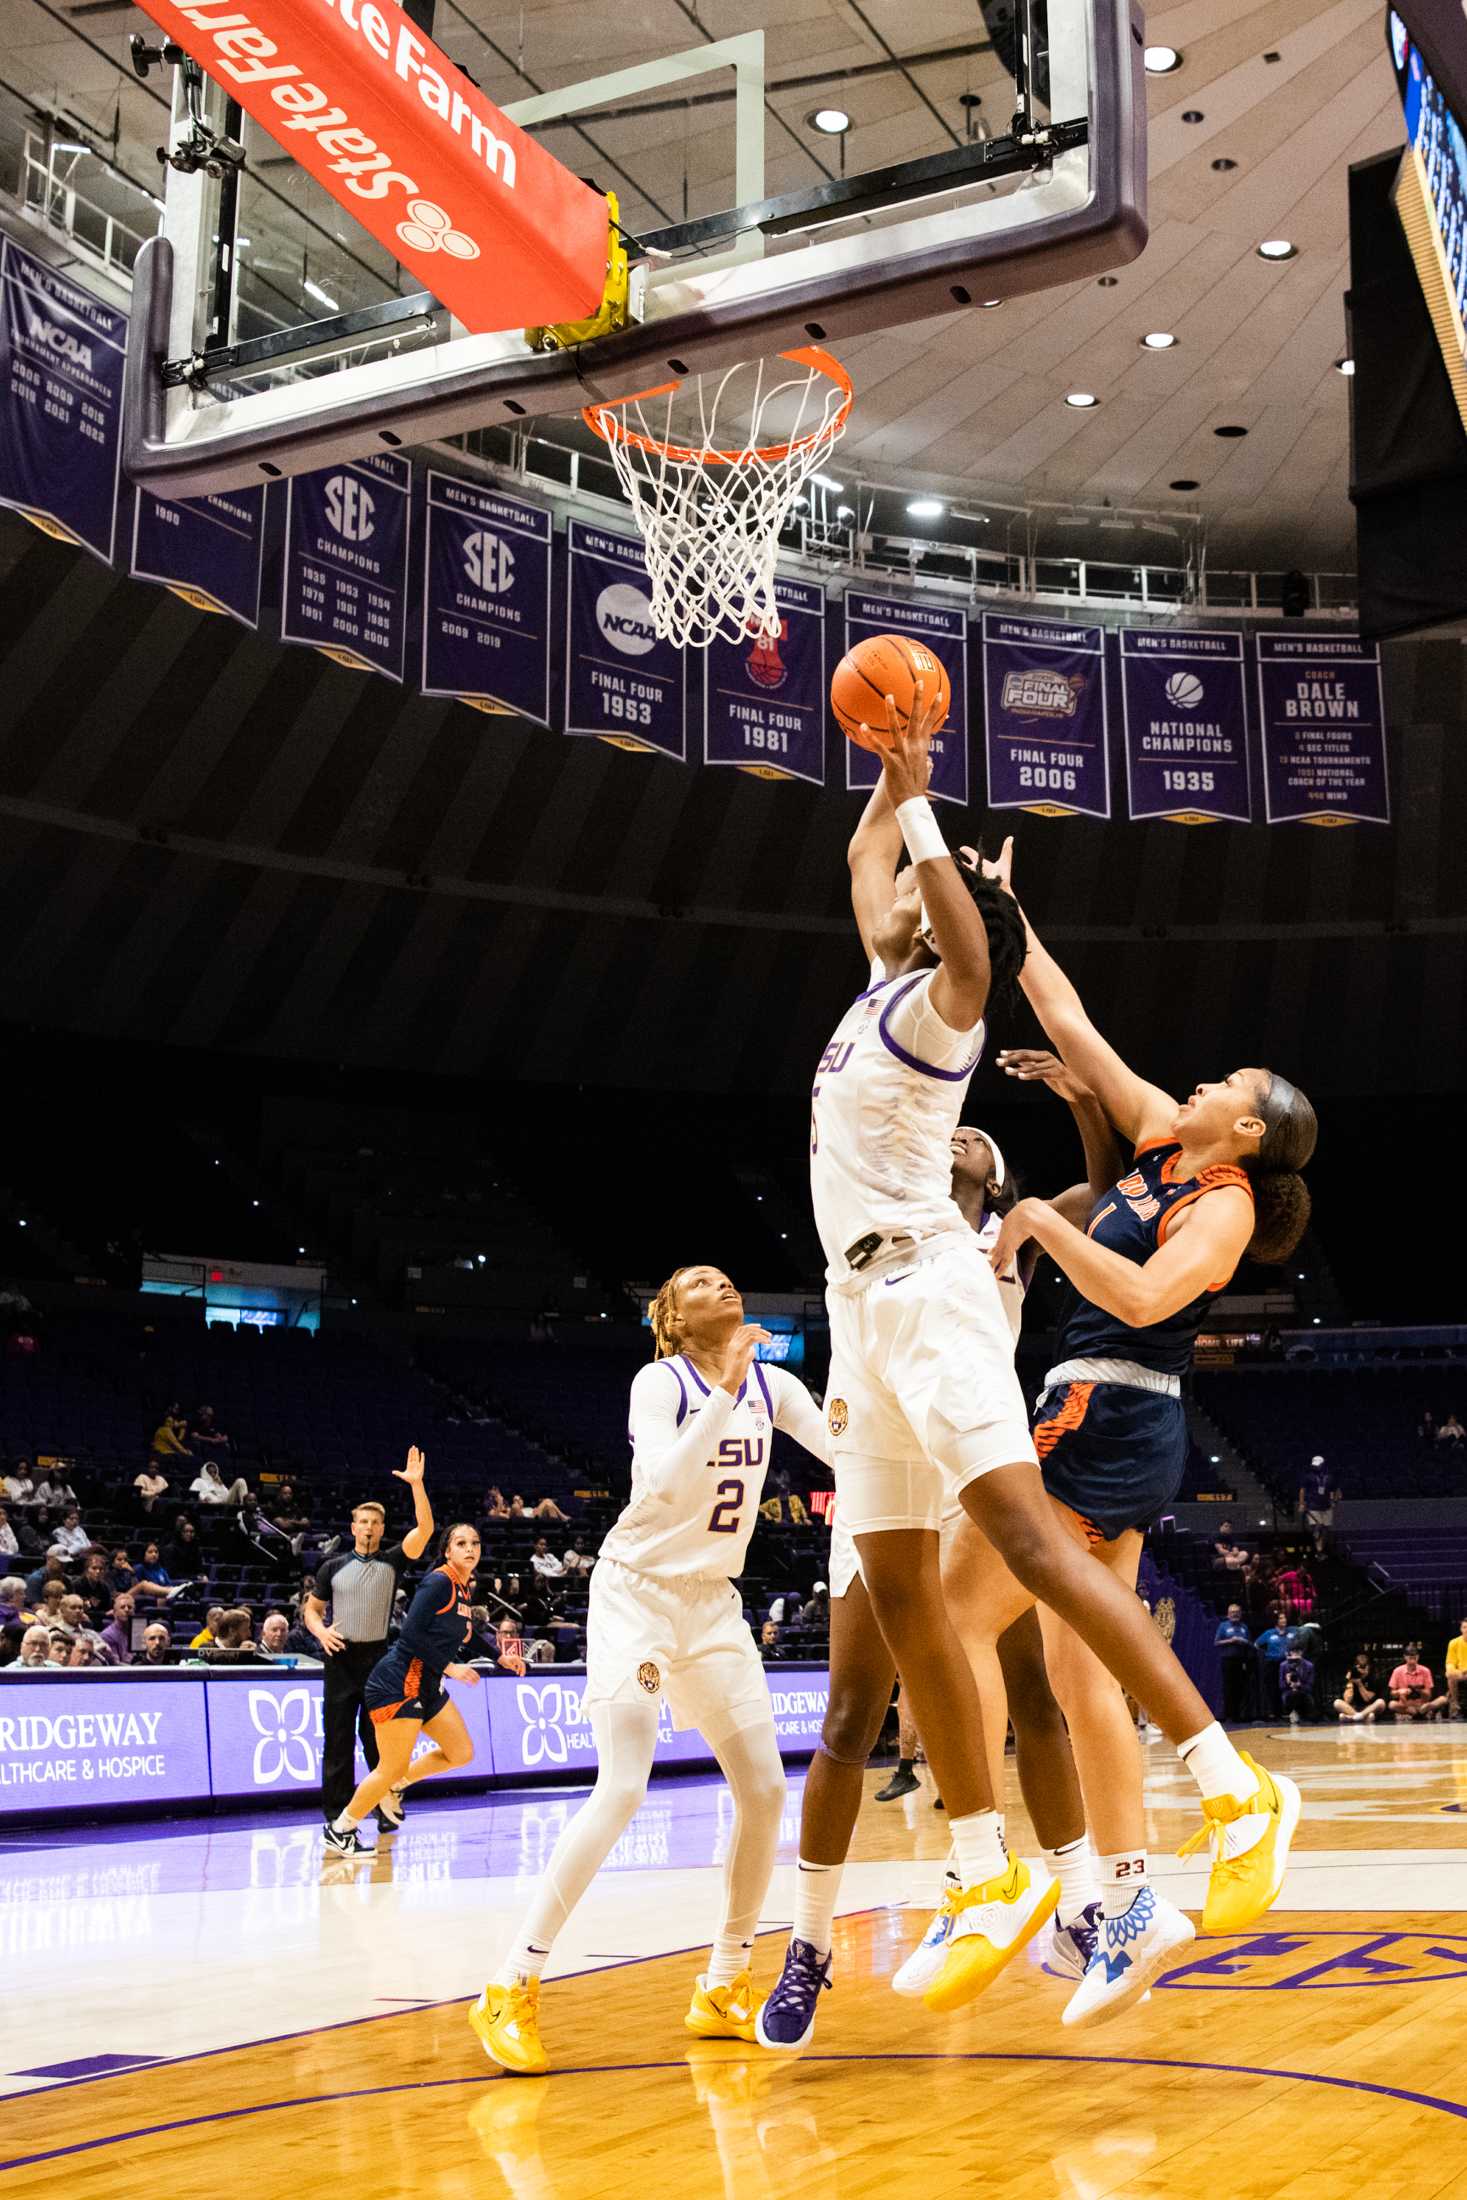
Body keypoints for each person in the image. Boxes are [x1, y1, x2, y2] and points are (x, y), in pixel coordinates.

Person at [804, 705, 1306, 2029]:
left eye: (1224, 1079)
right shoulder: (1147, 1134)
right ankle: (1107, 1892)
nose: (1192, 1077)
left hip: (1103, 1392)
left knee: (988, 1621)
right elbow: (1058, 1004)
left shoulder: (1225, 1206)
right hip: (1009, 1359)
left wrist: (1028, 1221)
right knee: (1051, 1662)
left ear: (1242, 1126)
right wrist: (904, 805)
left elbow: (1138, 1290)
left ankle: (1188, 1804)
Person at [470, 1265, 828, 2078]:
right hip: (634, 1592)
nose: (723, 1283)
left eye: (729, 1277)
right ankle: (510, 1981)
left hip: (712, 1604)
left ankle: (724, 1984)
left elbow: (845, 1448)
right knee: (624, 1786)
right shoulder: (658, 1380)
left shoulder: (776, 1386)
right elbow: (663, 1480)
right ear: (671, 1316)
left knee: (767, 1790)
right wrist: (724, 1390)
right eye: (700, 1281)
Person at [326, 1522, 482, 1852]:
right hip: (397, 1681)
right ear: (447, 1550)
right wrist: (451, 1666)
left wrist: (501, 1656)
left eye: (475, 1543)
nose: (470, 1548)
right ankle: (341, 1828)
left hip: (426, 1682)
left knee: (461, 1753)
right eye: (461, 1543)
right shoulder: (438, 1582)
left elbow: (468, 1634)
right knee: (389, 1765)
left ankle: (398, 1785)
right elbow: (410, 1635)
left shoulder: (463, 1589)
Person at [303, 1450, 435, 1839]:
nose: (369, 1528)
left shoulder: (393, 1561)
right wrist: (321, 1631)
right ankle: (338, 1817)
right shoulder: (332, 1567)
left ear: (381, 1529)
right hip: (340, 1658)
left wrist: (416, 1485)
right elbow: (311, 1610)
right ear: (353, 1526)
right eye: (363, 1522)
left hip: (379, 1661)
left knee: (380, 1742)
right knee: (338, 1741)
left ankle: (385, 1805)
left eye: (376, 1523)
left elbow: (425, 1530)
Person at [1254, 1608, 1297, 1716]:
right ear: (1276, 1621)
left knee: (1288, 1686)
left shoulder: (1292, 1631)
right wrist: (1267, 1654)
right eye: (1281, 1618)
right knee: (1273, 1687)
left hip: (1288, 1664)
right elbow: (1257, 1644)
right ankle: (1275, 1711)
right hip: (1273, 1664)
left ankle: (1288, 1711)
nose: (1284, 1620)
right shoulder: (1269, 1633)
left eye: (1285, 1618)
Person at [1215, 1606, 1254, 1724]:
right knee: (1228, 1688)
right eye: (1232, 1612)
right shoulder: (1223, 1626)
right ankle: (1228, 1716)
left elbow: (1250, 1642)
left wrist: (1243, 1641)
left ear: (1240, 1614)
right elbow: (1216, 1642)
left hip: (1241, 1660)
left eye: (1237, 1612)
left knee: (1239, 1688)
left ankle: (1238, 1715)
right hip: (1227, 1660)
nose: (1234, 1614)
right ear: (1228, 1614)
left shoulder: (1244, 1627)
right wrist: (1230, 1641)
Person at [1389, 1644, 1448, 1721]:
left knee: (1443, 1699)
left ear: (1418, 1657)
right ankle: (1413, 1713)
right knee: (1392, 1704)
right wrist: (1399, 1692)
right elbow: (1392, 1694)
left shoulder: (1425, 1671)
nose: (1412, 1659)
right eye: (1410, 1657)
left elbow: (1429, 1695)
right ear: (1405, 1657)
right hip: (1406, 1706)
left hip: (1422, 1705)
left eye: (1414, 1657)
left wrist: (1419, 1690)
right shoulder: (1397, 1671)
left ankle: (1422, 1711)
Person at [1335, 1652, 1386, 1723]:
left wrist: (1359, 1684)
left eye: (1363, 1667)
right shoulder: (1351, 1678)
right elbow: (1347, 1700)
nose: (1361, 1670)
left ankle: (1353, 1718)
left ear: (1368, 1666)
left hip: (1369, 1708)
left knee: (1381, 1702)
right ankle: (1361, 1717)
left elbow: (1367, 1699)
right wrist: (1350, 1683)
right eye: (1359, 1667)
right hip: (1353, 1708)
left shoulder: (1373, 1678)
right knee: (1337, 1702)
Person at [1297, 1456, 1337, 1530]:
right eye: (1315, 1465)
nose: (1317, 1467)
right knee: (1317, 1528)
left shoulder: (1329, 1477)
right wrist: (1301, 1504)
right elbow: (1302, 1490)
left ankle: (1323, 1540)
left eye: (1319, 1465)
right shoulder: (1308, 1477)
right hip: (1313, 1506)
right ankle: (1318, 1540)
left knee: (1326, 1529)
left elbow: (1332, 1490)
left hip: (1326, 1506)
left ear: (1323, 1464)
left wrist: (1332, 1500)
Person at [1278, 1646, 1316, 1724]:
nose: (1295, 1655)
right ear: (1290, 1653)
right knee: (1289, 1696)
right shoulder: (1283, 1665)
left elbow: (1310, 1686)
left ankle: (1303, 1715)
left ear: (1301, 1652)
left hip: (1303, 1691)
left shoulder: (1309, 1665)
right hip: (1288, 1691)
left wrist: (1299, 1685)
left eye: (1297, 1652)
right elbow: (1281, 1685)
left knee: (1303, 1696)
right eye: (1293, 1652)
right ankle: (1290, 1714)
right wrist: (1288, 1682)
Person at [99, 1592, 136, 1665]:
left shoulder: (139, 1631)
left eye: (129, 1607)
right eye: (122, 1607)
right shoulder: (107, 1635)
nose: (126, 1610)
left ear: (134, 1612)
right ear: (114, 1613)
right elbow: (116, 1664)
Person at [1445, 1620, 1467, 1719]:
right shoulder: (1454, 1643)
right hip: (1461, 1674)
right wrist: (1453, 1671)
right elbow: (1450, 1663)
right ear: (1461, 1629)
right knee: (1450, 1675)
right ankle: (1455, 1705)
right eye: (1465, 1627)